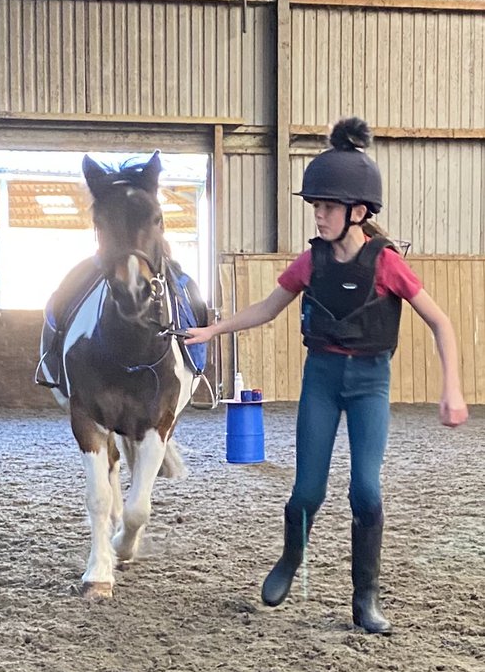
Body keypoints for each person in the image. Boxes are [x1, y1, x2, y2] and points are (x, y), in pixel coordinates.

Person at [185, 117, 468, 635]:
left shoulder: (386, 265)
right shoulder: (310, 262)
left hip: (370, 383)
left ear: (357, 212)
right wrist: (213, 331)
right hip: (320, 378)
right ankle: (291, 558)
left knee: (366, 490)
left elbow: (441, 321)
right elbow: (268, 309)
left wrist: (452, 388)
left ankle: (366, 600)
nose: (318, 214)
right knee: (307, 490)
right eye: (315, 205)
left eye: (327, 207)